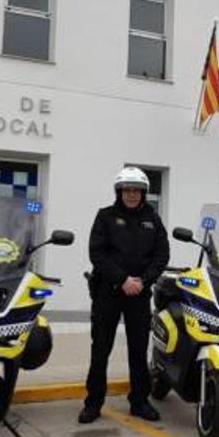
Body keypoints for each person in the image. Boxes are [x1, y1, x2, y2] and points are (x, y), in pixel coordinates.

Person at [79, 167, 169, 423]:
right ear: (119, 192)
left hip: (139, 293)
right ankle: (93, 403)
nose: (131, 195)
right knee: (100, 350)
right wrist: (122, 280)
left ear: (143, 193)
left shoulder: (153, 219)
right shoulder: (106, 217)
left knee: (138, 350)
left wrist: (143, 281)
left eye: (136, 190)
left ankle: (139, 401)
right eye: (127, 190)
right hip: (108, 292)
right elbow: (97, 253)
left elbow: (161, 255)